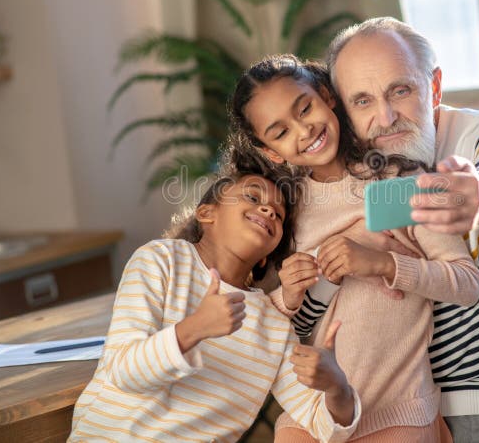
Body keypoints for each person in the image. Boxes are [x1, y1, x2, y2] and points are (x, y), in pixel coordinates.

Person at [288, 16, 479, 443]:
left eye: (401, 90)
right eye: (362, 101)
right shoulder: (347, 179)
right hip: (416, 418)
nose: (386, 116)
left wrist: (478, 197)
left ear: (433, 87)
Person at [229, 54, 479, 442]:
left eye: (305, 108)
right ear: (270, 152)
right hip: (311, 420)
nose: (304, 130)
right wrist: (290, 294)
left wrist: (383, 264)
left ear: (327, 95)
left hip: (397, 415)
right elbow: (282, 331)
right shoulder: (286, 209)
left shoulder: (395, 183)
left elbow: (466, 283)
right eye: (280, 132)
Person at [68, 151, 361, 442]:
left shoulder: (273, 327)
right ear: (207, 213)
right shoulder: (160, 260)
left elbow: (324, 425)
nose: (270, 211)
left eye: (278, 214)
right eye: (253, 198)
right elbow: (124, 372)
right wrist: (194, 329)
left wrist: (337, 388)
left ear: (267, 256)